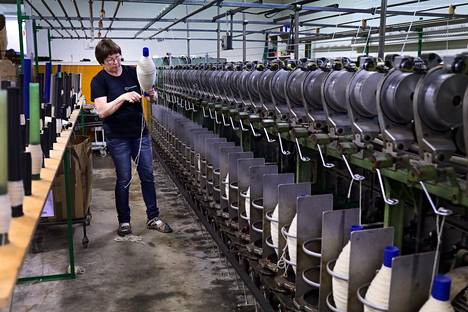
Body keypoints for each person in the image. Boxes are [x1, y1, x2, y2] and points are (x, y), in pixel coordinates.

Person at [91, 39, 172, 236]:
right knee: (124, 179)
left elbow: (152, 95)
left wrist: (153, 94)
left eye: (117, 57)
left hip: (140, 135)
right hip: (118, 138)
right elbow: (102, 112)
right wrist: (122, 98)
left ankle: (153, 217)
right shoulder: (99, 81)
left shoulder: (132, 72)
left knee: (147, 176)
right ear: (102, 62)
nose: (116, 62)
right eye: (110, 60)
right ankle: (124, 221)